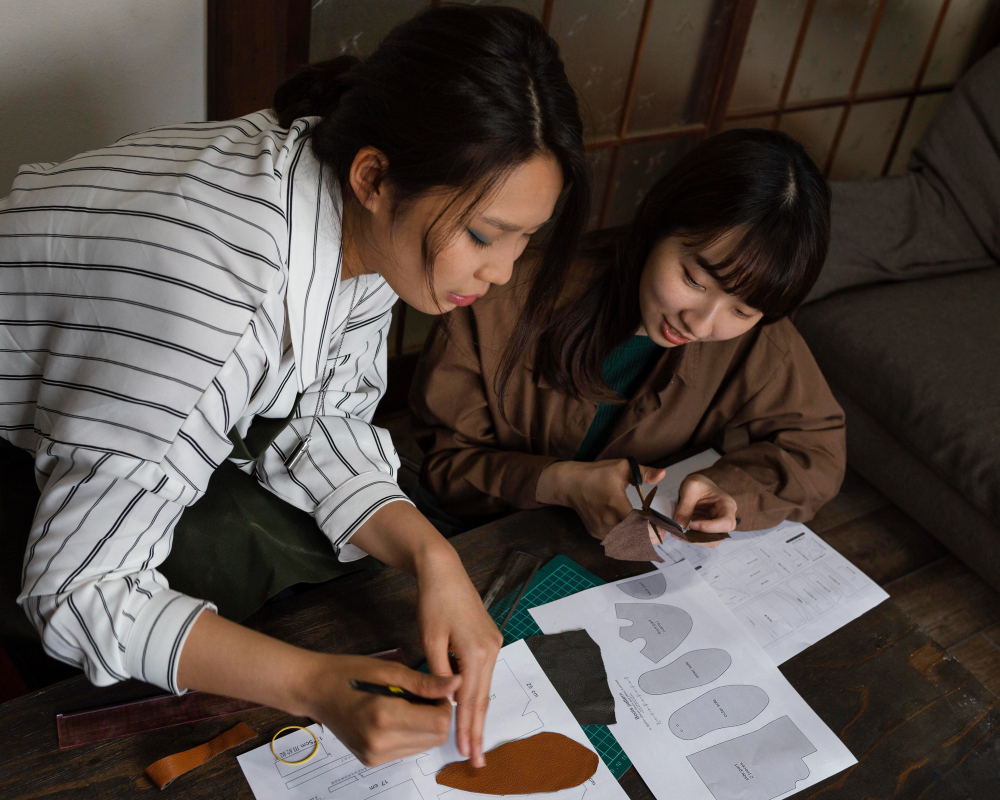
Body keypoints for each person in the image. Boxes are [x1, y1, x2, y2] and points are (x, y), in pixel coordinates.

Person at [0, 5, 588, 766]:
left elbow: (323, 414)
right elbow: (80, 587)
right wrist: (314, 685)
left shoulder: (351, 204)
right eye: (482, 235)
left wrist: (433, 558)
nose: (502, 271)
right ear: (375, 176)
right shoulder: (215, 294)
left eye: (524, 239)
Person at [411, 128, 845, 544]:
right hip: (484, 535)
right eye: (694, 280)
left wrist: (727, 489)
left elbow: (817, 452)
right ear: (658, 223)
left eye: (742, 309)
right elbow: (446, 467)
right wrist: (558, 482)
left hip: (633, 553)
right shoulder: (503, 296)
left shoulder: (758, 337)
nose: (701, 323)